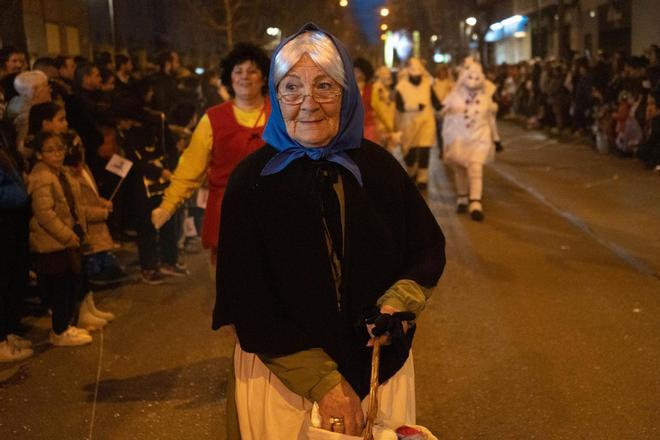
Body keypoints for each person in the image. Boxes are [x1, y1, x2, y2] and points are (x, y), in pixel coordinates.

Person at [213, 23, 445, 438]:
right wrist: (324, 383)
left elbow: (424, 248)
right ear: (275, 95)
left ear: (348, 93)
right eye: (291, 88)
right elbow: (245, 297)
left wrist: (396, 305)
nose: (307, 104)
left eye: (325, 86)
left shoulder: (377, 169)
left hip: (378, 372)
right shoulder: (251, 180)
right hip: (283, 380)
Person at [151, 43, 271, 265]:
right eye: (238, 71)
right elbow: (190, 167)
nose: (245, 77)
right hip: (227, 217)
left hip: (271, 216)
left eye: (252, 71)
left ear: (264, 78)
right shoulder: (212, 119)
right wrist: (168, 205)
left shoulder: (281, 116)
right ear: (229, 77)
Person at [27, 132, 93, 346]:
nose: (57, 154)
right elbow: (45, 214)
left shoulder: (61, 173)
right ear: (39, 154)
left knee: (69, 283)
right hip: (52, 243)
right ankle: (59, 330)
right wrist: (67, 235)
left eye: (60, 149)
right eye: (50, 150)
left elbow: (74, 206)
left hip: (66, 240)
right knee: (60, 287)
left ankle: (64, 325)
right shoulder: (41, 178)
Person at [441, 59, 499, 221]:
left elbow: (490, 119)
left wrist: (496, 138)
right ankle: (462, 197)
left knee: (475, 168)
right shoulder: (454, 96)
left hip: (479, 139)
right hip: (459, 138)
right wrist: (450, 112)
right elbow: (444, 115)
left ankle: (475, 202)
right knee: (460, 169)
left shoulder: (486, 99)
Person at [0, 140, 33, 362]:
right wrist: (22, 195)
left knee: (10, 278)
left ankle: (8, 332)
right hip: (5, 219)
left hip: (11, 222)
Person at [395, 57, 442, 191]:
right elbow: (399, 106)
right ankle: (412, 171)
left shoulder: (427, 84)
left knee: (424, 149)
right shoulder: (402, 87)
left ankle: (423, 178)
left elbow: (436, 102)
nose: (417, 79)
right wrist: (414, 107)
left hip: (426, 122)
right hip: (409, 123)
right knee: (411, 150)